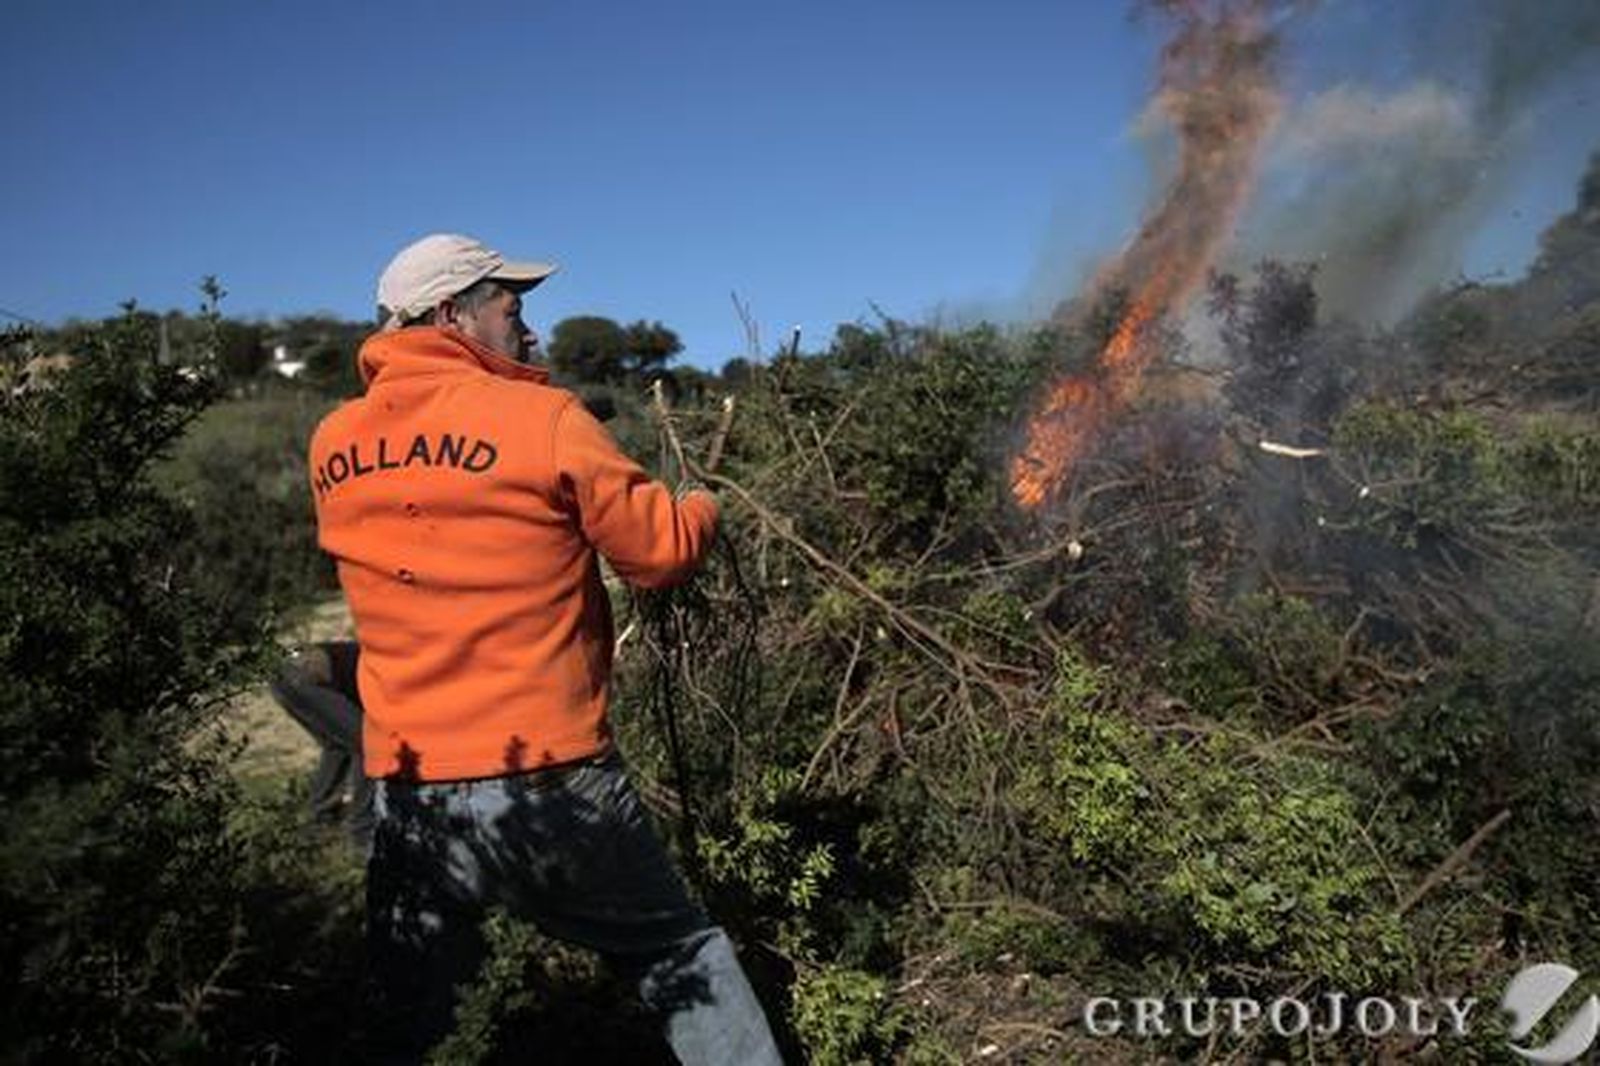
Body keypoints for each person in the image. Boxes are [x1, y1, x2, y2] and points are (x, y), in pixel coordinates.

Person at [308, 233, 781, 1063]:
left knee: (413, 1010)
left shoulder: (332, 443)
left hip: (410, 787)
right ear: (454, 315)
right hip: (552, 771)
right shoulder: (546, 418)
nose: (530, 334)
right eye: (512, 310)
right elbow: (661, 554)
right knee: (678, 952)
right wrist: (702, 502)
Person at [267, 639, 374, 848]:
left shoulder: (365, 655)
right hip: (305, 675)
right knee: (370, 744)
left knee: (337, 746)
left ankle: (320, 820)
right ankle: (364, 832)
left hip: (283, 674)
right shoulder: (385, 667)